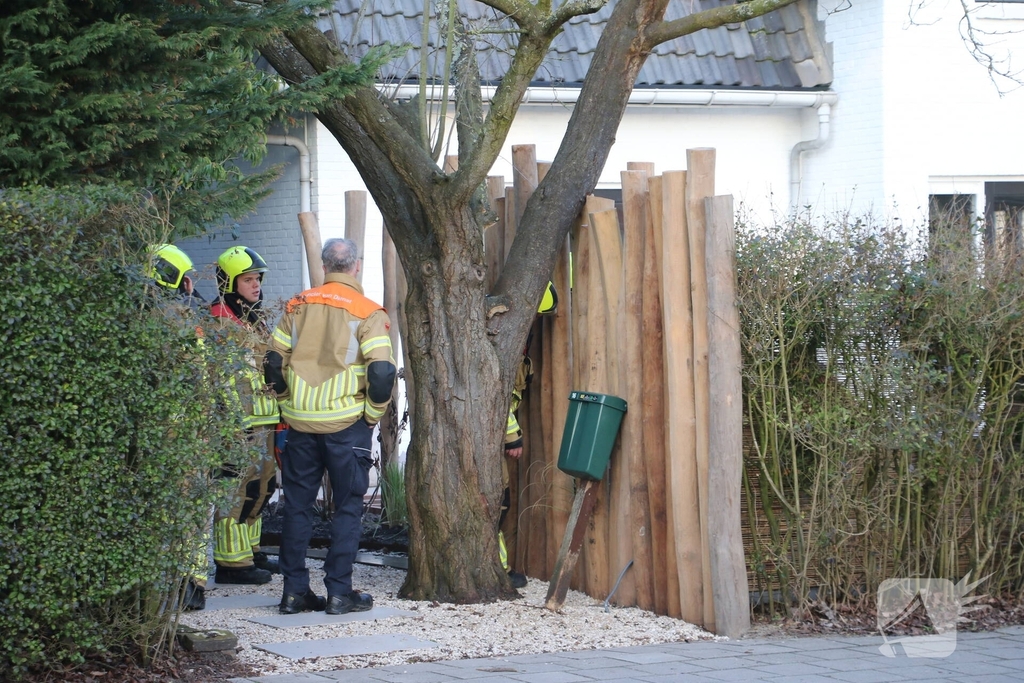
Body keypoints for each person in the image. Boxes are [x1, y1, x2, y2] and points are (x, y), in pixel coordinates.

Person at [265, 237, 396, 615]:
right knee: (348, 508)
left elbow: (272, 361)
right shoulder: (368, 312)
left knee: (297, 507)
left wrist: (286, 403)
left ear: (324, 267)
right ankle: (340, 592)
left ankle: (294, 592)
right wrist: (372, 415)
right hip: (347, 424)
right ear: (356, 266)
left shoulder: (297, 305)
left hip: (301, 422)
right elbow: (382, 372)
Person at [209, 245, 281, 585]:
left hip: (263, 420)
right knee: (237, 488)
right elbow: (219, 378)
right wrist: (233, 423)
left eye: (257, 279)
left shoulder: (254, 318)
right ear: (229, 283)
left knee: (262, 486)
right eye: (248, 279)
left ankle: (250, 551)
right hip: (238, 424)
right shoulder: (219, 321)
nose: (256, 285)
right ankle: (231, 563)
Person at [148, 243, 208, 610]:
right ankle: (189, 585)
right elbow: (201, 378)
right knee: (191, 509)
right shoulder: (185, 320)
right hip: (185, 431)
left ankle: (154, 586)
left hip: (150, 431)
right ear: (182, 281)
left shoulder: (133, 316)